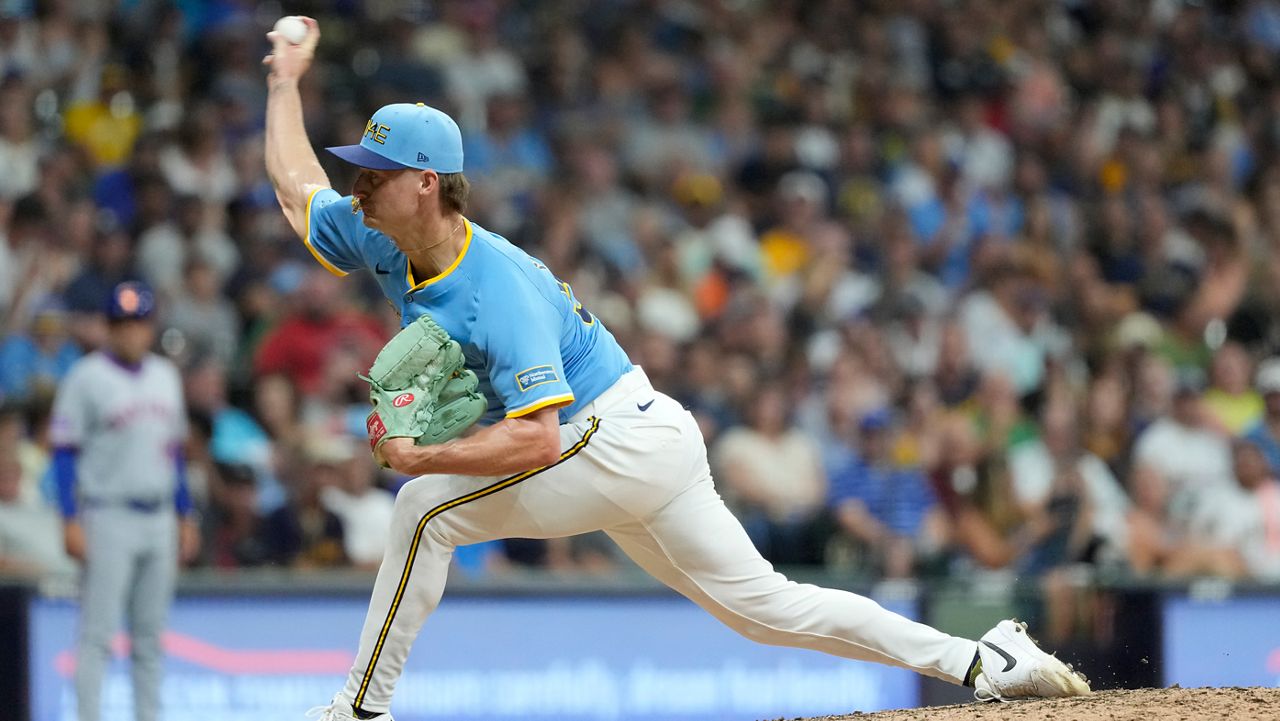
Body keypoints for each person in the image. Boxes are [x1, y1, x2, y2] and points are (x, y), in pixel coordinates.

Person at [263, 19, 1090, 720]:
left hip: (608, 434)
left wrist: (424, 456)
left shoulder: (497, 287)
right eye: (359, 171)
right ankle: (985, 661)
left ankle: (359, 709)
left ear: (426, 183)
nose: (357, 184)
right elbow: (297, 191)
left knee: (422, 507)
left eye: (373, 174)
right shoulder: (380, 229)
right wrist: (284, 80)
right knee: (765, 609)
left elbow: (537, 441)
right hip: (641, 435)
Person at [49, 281, 200, 721]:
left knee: (151, 638)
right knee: (97, 636)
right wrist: (68, 518)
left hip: (158, 517)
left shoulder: (165, 376)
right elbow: (63, 453)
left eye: (138, 324)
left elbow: (174, 453)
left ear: (149, 327)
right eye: (122, 324)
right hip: (107, 513)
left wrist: (185, 513)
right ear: (108, 328)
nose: (131, 333)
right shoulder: (86, 377)